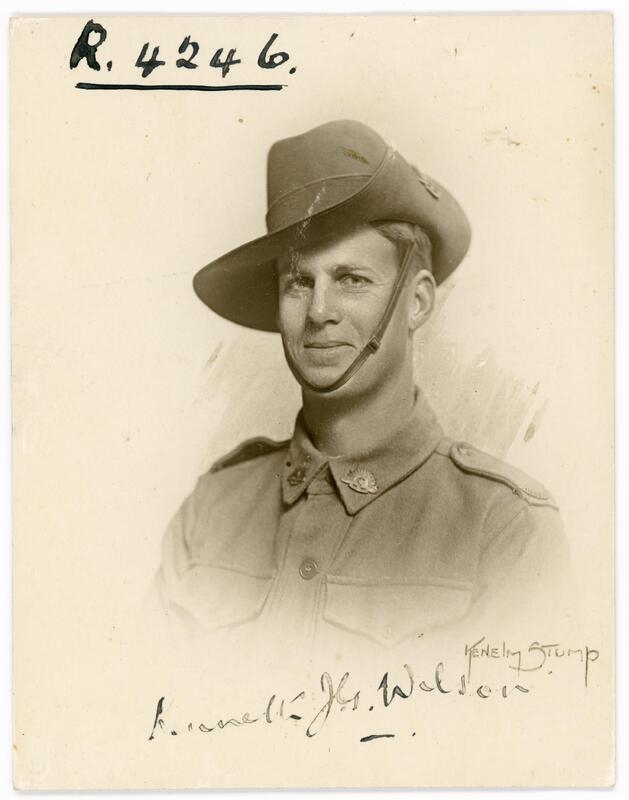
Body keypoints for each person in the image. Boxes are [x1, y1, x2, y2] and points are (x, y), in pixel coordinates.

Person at [152, 120, 573, 663]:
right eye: (298, 282)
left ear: (417, 302)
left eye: (352, 279)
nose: (319, 312)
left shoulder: (505, 526)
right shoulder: (212, 507)